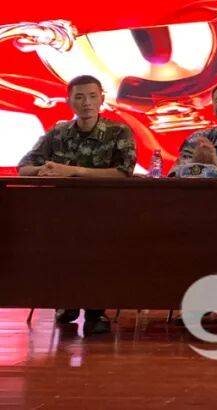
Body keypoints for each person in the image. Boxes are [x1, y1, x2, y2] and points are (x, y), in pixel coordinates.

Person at [18, 74, 137, 336]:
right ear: (69, 101)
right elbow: (24, 167)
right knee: (61, 250)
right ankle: (67, 300)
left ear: (102, 99)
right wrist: (46, 170)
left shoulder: (119, 131)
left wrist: (74, 171)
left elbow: (123, 172)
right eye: (80, 97)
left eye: (92, 96)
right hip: (63, 214)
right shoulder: (58, 133)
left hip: (106, 213)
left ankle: (95, 312)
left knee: (98, 255)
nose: (86, 103)